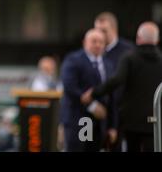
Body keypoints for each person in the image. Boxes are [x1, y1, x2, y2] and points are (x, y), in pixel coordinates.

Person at [82, 22, 162, 152]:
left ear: (138, 38)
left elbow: (117, 80)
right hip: (156, 118)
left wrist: (94, 93)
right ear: (157, 40)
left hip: (131, 121)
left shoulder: (129, 58)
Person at [60, 29, 116, 152]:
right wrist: (92, 106)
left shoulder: (108, 64)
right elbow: (70, 87)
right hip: (79, 120)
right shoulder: (73, 60)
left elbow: (112, 94)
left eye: (101, 42)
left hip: (100, 124)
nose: (97, 45)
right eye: (94, 41)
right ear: (84, 42)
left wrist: (112, 125)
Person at [94, 12, 134, 151]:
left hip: (122, 112)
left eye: (104, 30)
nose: (100, 34)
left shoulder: (128, 51)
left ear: (114, 30)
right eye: (97, 30)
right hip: (98, 111)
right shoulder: (93, 49)